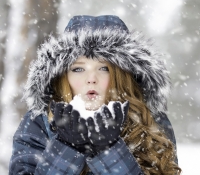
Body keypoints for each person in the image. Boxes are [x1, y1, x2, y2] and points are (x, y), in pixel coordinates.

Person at [9, 15, 181, 175]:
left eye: (104, 68)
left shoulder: (150, 121)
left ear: (122, 76)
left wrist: (110, 151)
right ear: (63, 76)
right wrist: (66, 147)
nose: (91, 79)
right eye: (78, 69)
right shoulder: (39, 122)